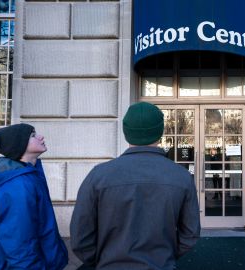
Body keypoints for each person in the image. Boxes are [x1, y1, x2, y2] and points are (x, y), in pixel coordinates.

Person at [70, 102, 200, 270]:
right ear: (159, 132)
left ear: (126, 133)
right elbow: (190, 233)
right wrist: (165, 256)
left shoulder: (98, 175)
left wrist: (102, 260)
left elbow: (80, 236)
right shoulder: (181, 176)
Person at [0, 124, 68, 269]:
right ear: (19, 145)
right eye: (32, 135)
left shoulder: (28, 175)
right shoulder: (17, 186)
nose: (41, 137)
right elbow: (19, 244)